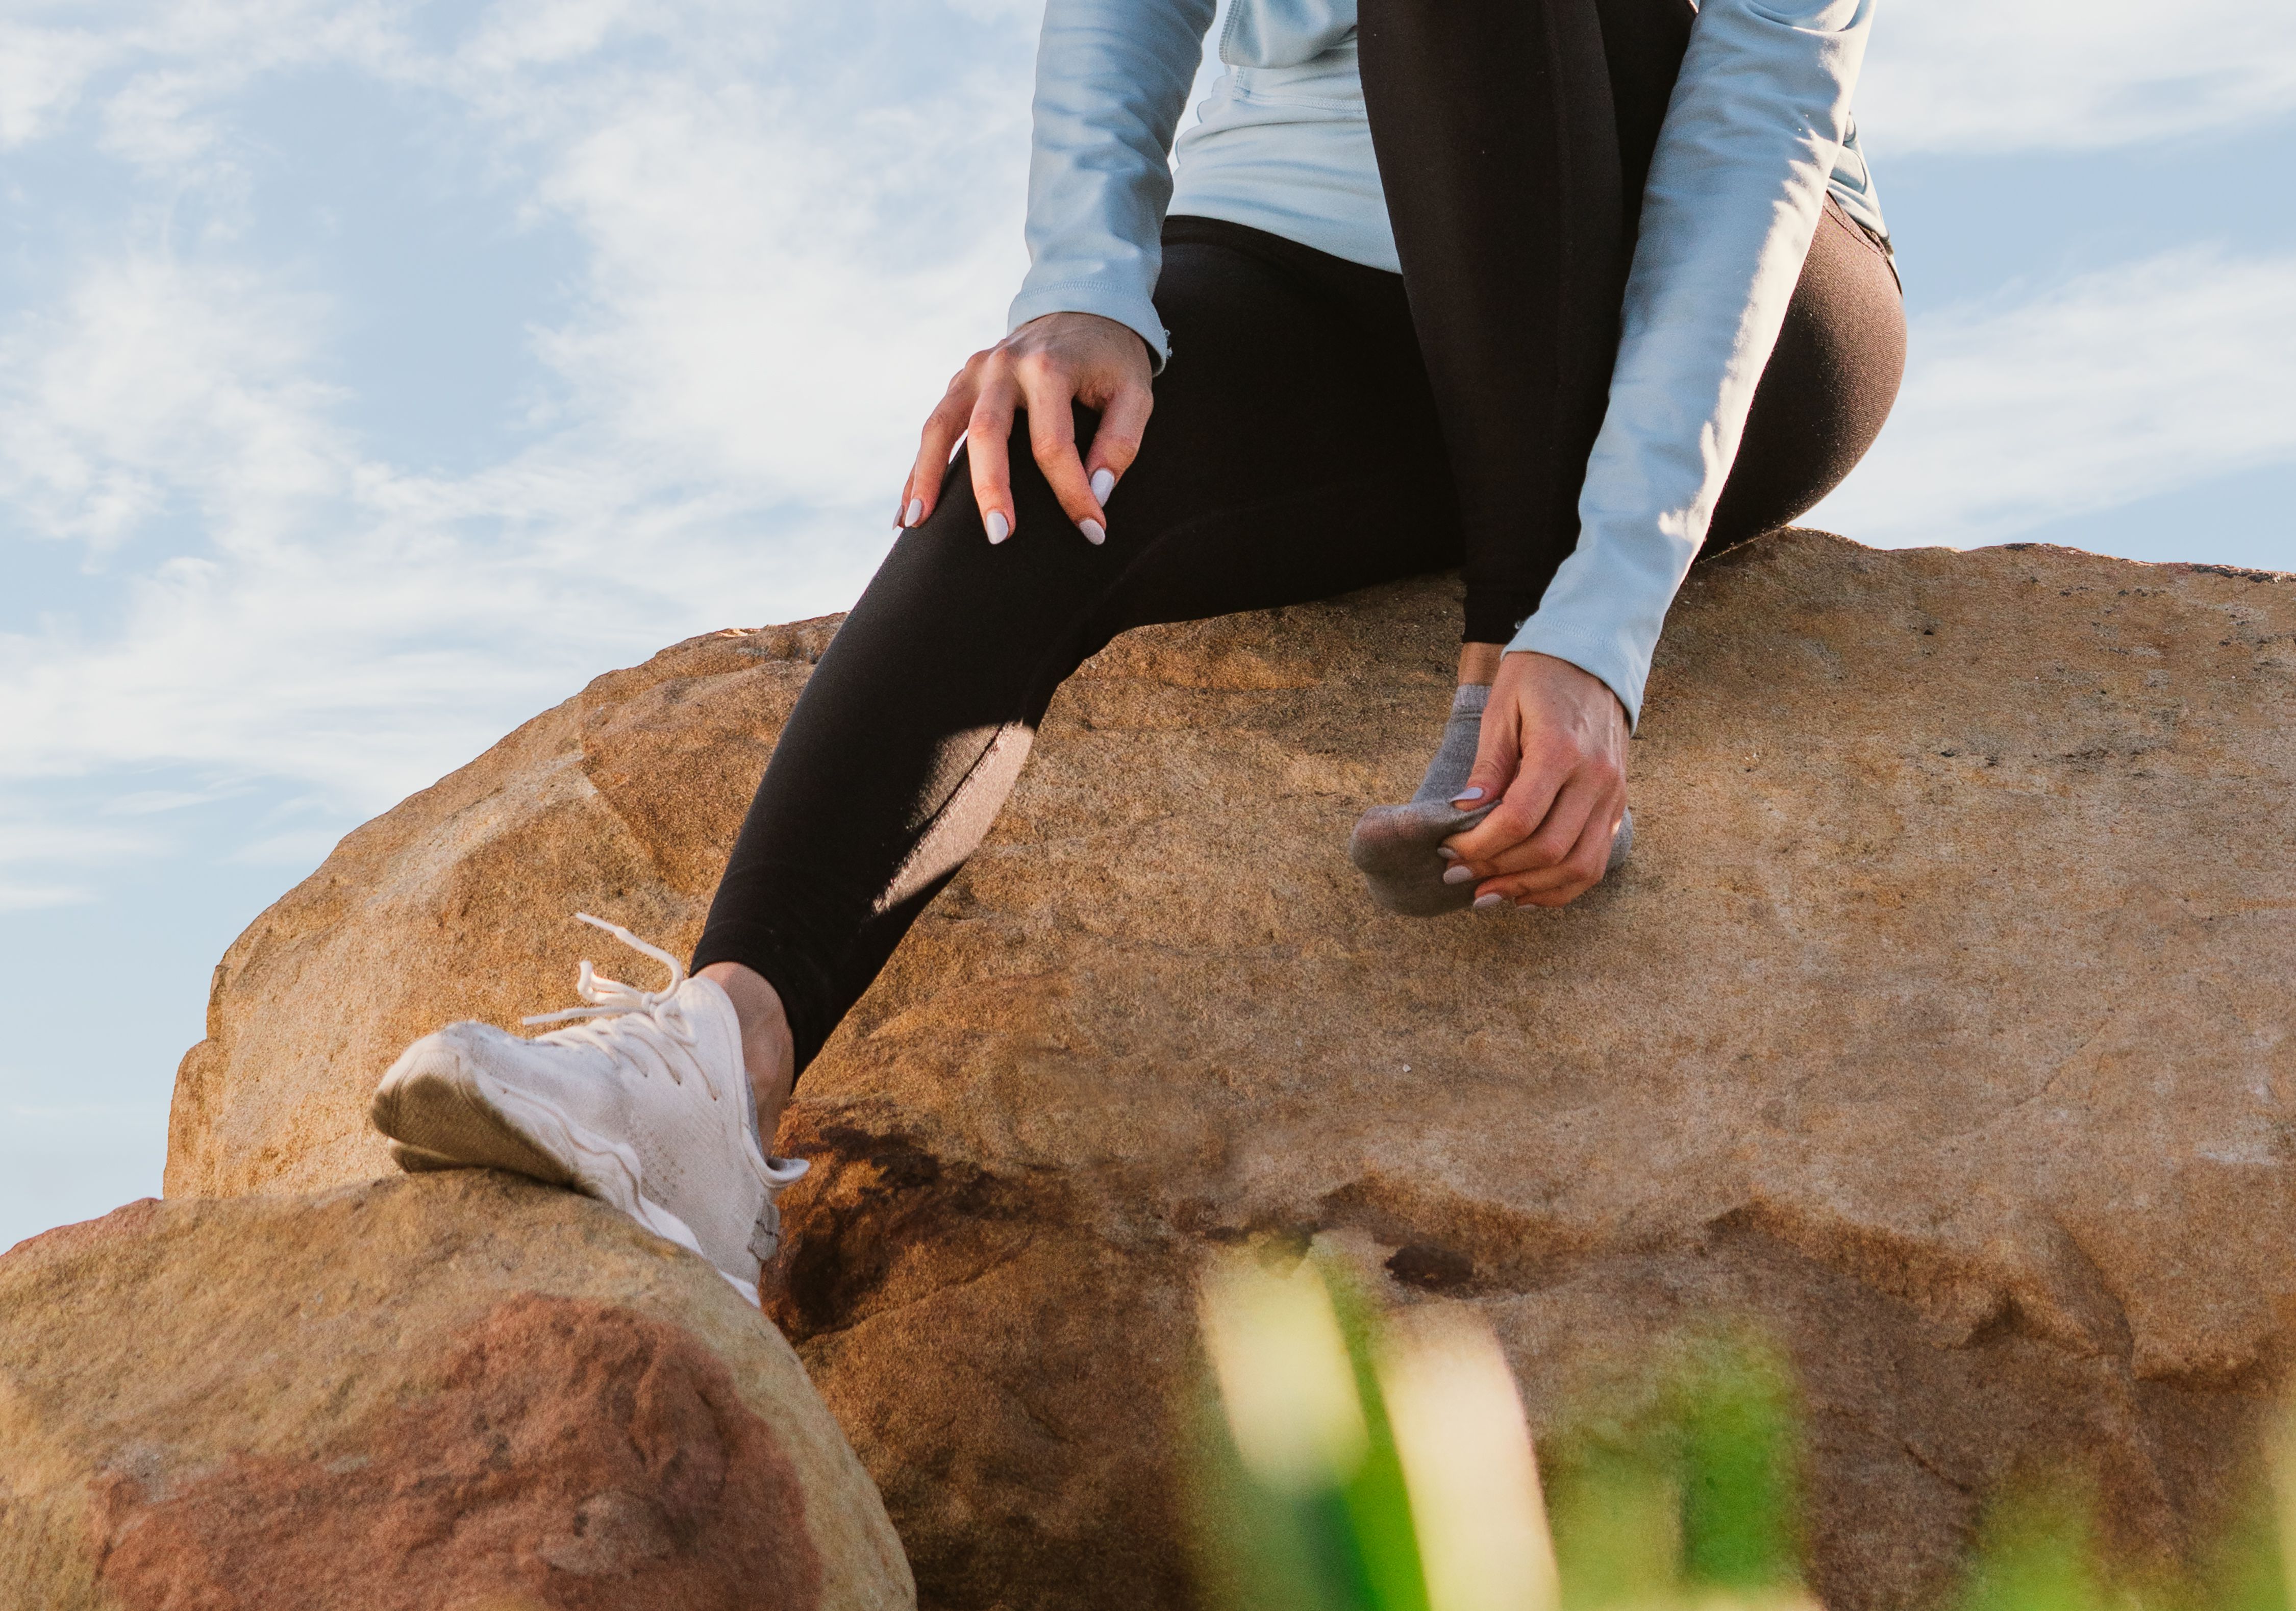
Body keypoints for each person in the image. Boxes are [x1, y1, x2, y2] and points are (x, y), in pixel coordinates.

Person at [369, 0, 1905, 1302]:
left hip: (1690, 281)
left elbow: (1760, 101)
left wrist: (1586, 619)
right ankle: (717, 1072)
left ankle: (1489, 663)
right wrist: (1085, 284)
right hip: (1304, 248)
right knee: (1048, 454)